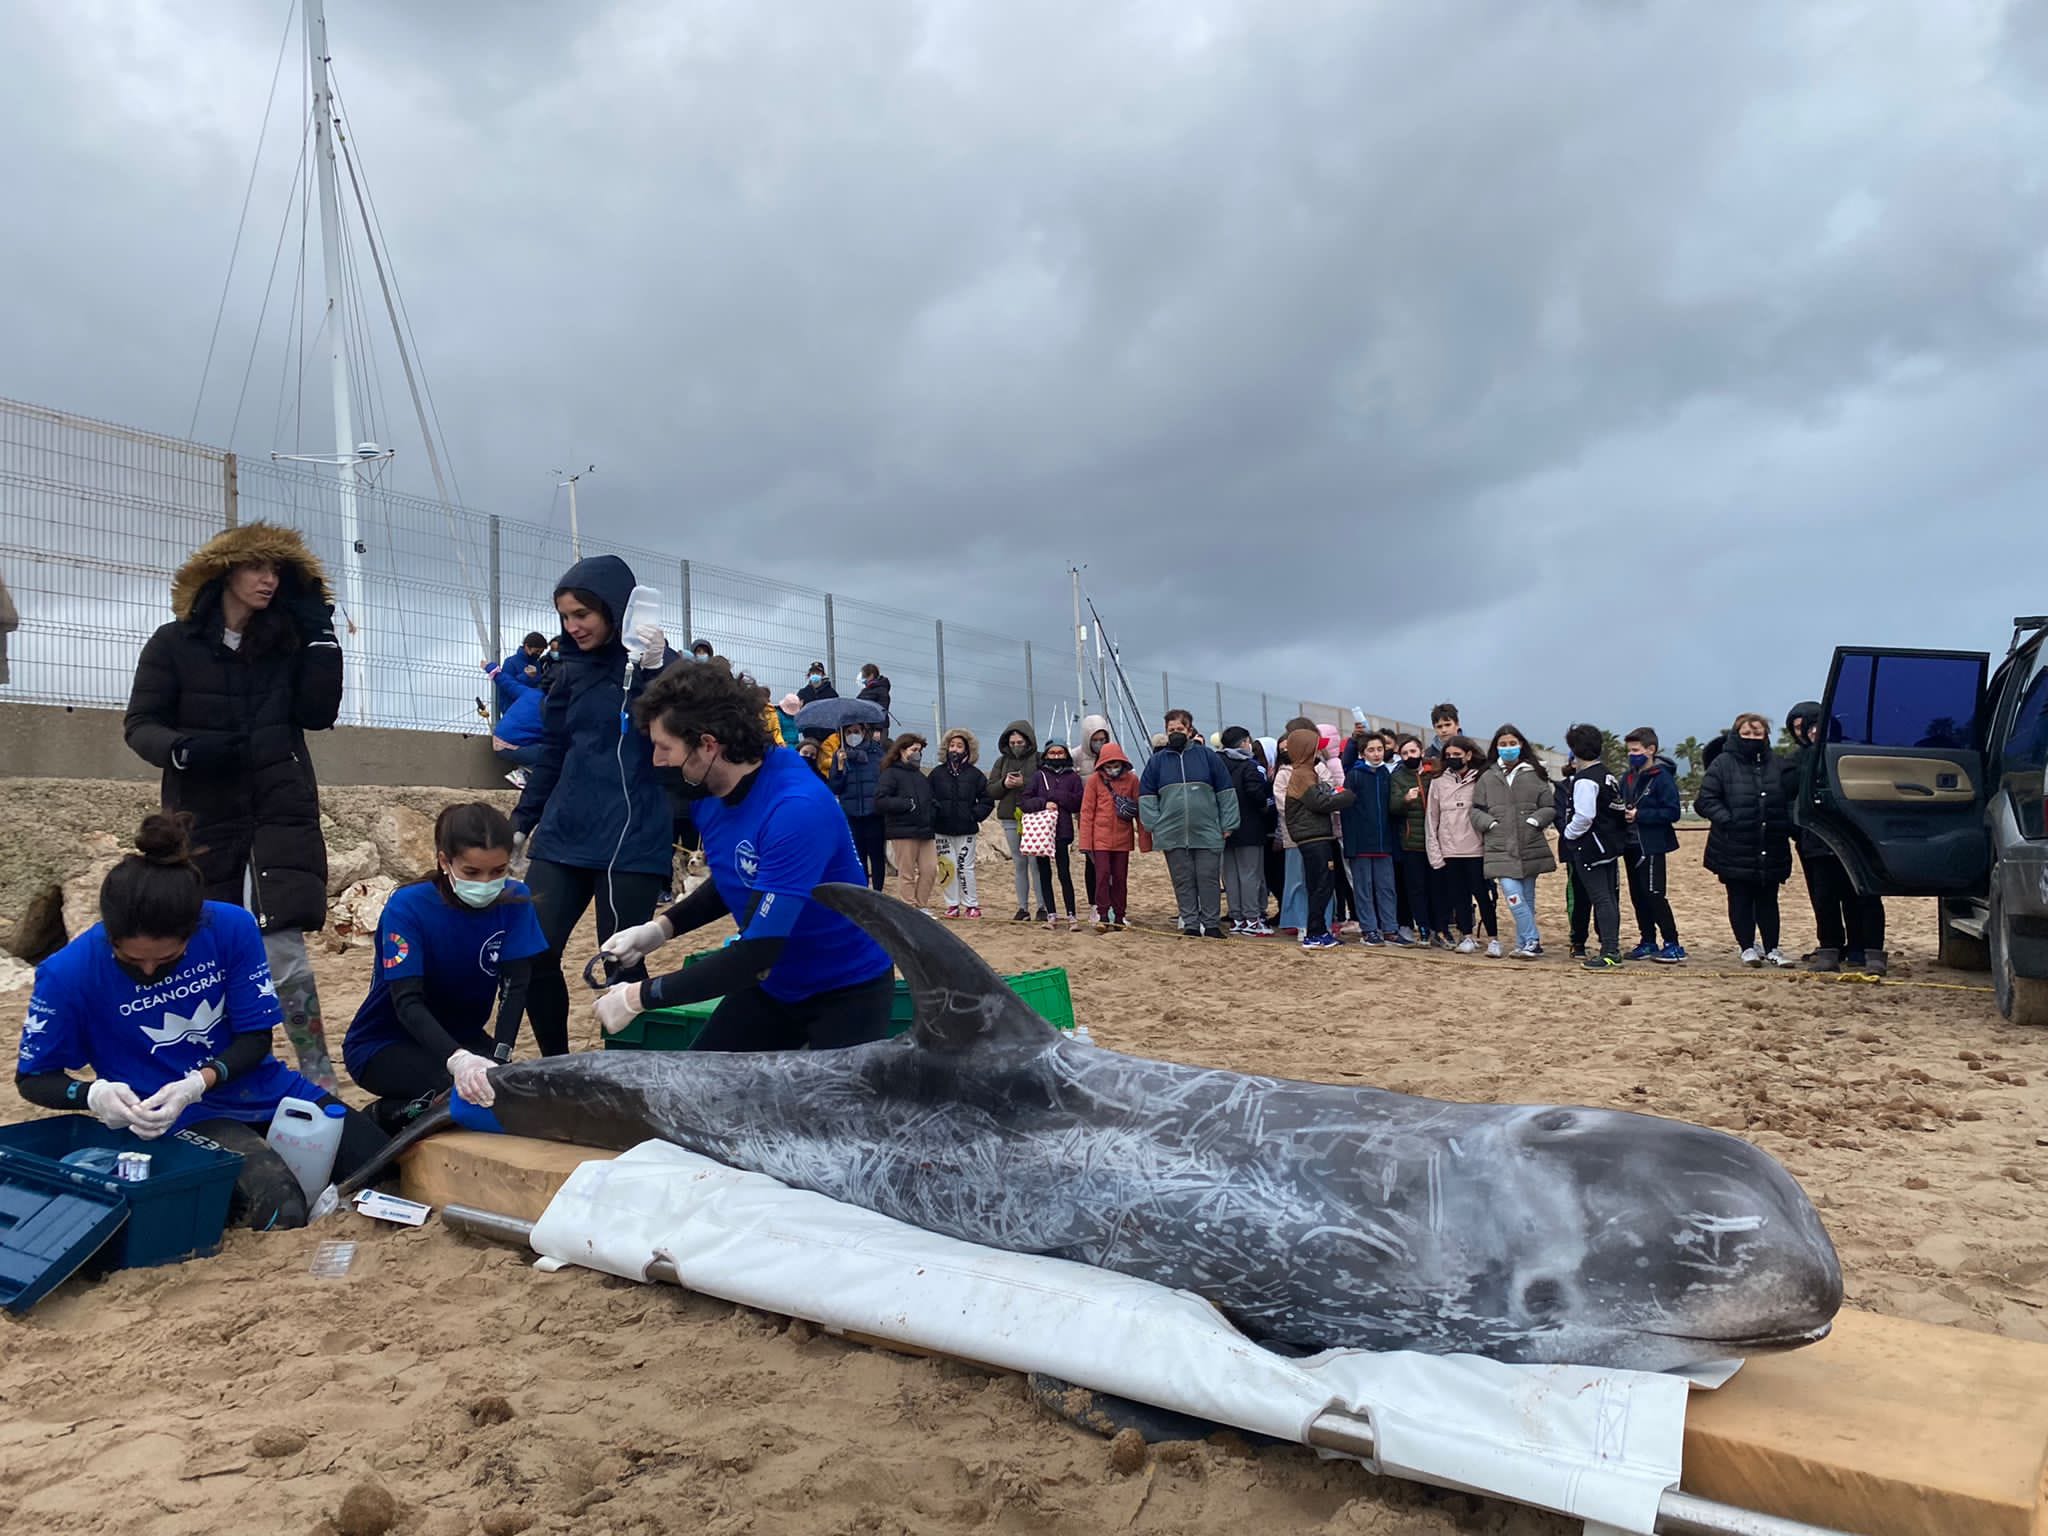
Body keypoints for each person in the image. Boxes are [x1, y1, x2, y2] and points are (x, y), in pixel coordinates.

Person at [15, 815, 386, 1229]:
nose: (151, 969)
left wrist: (197, 1082)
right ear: (109, 935)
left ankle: (383, 1117)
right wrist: (92, 1095)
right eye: (132, 960)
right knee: (280, 1211)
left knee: (383, 1170)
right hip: (171, 1119)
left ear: (193, 930)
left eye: (168, 958)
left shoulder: (229, 927)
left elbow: (255, 1039)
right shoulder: (68, 973)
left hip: (259, 1088)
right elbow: (34, 1078)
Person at [123, 522, 345, 1091]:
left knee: (284, 951)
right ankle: (212, 1077)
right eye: (257, 568)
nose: (269, 581)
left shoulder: (289, 643)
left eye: (277, 571)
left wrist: (322, 637)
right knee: (201, 953)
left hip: (279, 813)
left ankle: (318, 1080)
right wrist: (182, 750)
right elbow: (140, 724)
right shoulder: (172, 644)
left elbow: (319, 714)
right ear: (226, 572)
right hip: (200, 820)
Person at [592, 661, 896, 1051]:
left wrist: (638, 997)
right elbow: (737, 872)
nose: (656, 760)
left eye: (664, 747)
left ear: (707, 744)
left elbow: (757, 953)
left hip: (847, 986)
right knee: (702, 1088)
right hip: (774, 986)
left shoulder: (795, 808)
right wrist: (660, 930)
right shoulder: (707, 791)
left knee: (825, 1108)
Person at [510, 554, 677, 1056]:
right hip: (565, 833)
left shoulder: (660, 666)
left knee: (621, 959)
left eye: (582, 613)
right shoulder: (566, 670)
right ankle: (557, 1064)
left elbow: (677, 729)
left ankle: (628, 1071)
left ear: (615, 608)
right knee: (531, 953)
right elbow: (554, 753)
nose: (572, 626)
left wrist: (656, 670)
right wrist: (523, 821)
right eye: (564, 616)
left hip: (632, 835)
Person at [342, 804, 546, 1131]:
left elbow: (516, 986)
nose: (486, 882)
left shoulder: (515, 900)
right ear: (443, 861)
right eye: (472, 872)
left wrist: (500, 1056)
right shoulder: (408, 906)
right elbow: (407, 1001)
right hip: (384, 1042)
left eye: (498, 871)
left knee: (511, 1094)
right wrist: (458, 1060)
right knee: (458, 1095)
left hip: (463, 1035)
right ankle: (383, 1118)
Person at [1786, 701, 1887, 974]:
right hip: (1816, 841)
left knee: (1863, 896)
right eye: (1804, 728)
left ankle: (1869, 951)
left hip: (1857, 838)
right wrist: (1797, 828)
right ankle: (1829, 950)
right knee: (1824, 899)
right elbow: (1786, 798)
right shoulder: (1798, 760)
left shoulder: (1854, 753)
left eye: (1820, 727)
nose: (1811, 733)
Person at [1696, 712, 1797, 968]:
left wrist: (1784, 823)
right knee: (1739, 898)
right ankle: (1747, 947)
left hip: (1770, 843)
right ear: (1736, 735)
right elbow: (1705, 800)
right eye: (1747, 733)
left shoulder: (1778, 764)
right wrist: (1729, 819)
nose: (1752, 738)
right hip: (1733, 844)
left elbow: (1790, 798)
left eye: (1757, 733)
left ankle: (1773, 947)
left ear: (1766, 736)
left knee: (1768, 899)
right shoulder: (1722, 764)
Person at [1138, 709, 1241, 939]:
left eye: (1179, 729)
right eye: (1171, 730)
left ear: (1190, 730)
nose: (1175, 733)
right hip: (1173, 833)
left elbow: (1226, 791)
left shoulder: (1207, 757)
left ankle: (1211, 924)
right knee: (1183, 880)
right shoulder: (1156, 762)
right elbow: (1146, 797)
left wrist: (1228, 824)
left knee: (1208, 878)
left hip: (1207, 831)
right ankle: (1191, 923)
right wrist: (1155, 824)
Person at [1469, 726, 1555, 960]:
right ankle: (1533, 939)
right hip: (1500, 846)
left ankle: (1523, 943)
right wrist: (1491, 824)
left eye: (1512, 743)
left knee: (1527, 898)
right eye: (1503, 744)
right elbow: (1475, 810)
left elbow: (1549, 807)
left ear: (1521, 744)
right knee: (1512, 894)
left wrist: (1534, 821)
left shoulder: (1535, 773)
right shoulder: (1487, 777)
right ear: (1496, 747)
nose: (1508, 748)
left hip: (1529, 844)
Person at [1559, 724, 1628, 971]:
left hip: (1592, 847)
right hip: (1609, 845)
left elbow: (1584, 816)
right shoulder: (1607, 774)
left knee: (1602, 899)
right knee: (1608, 898)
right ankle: (1612, 948)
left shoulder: (1585, 780)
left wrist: (1569, 834)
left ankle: (1610, 951)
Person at [1282, 727, 1355, 951]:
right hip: (1312, 837)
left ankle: (1319, 930)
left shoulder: (1307, 771)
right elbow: (1319, 803)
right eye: (1315, 747)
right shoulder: (1302, 774)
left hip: (1317, 835)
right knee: (1320, 884)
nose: (1319, 752)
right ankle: (1315, 933)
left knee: (1322, 884)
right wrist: (1347, 795)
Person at [1621, 727, 1686, 963]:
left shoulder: (1662, 778)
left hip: (1653, 844)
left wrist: (1641, 814)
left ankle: (1672, 942)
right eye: (1629, 750)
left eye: (1636, 750)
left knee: (1654, 894)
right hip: (1630, 844)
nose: (1632, 754)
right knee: (1638, 896)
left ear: (1651, 750)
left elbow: (1672, 812)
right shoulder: (1627, 777)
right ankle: (1648, 940)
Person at [1425, 737, 1494, 952]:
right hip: (1450, 850)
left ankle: (1494, 939)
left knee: (1483, 896)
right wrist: (1435, 855)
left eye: (1457, 754)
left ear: (1468, 755)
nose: (1453, 758)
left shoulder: (1482, 779)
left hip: (1476, 849)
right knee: (1459, 897)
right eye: (1449, 756)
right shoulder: (1438, 782)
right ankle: (1467, 936)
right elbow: (1431, 820)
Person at [1339, 731, 1404, 945]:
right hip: (1360, 843)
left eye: (1379, 749)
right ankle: (1368, 929)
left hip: (1384, 842)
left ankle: (1390, 929)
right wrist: (1351, 844)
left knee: (1386, 887)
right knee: (1364, 888)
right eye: (1371, 750)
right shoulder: (1355, 775)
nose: (1376, 754)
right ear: (1362, 753)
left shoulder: (1387, 774)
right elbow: (1347, 812)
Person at [1078, 741, 1148, 931]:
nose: (1112, 769)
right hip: (1099, 840)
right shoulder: (1094, 780)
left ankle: (1119, 916)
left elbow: (1140, 811)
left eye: (1115, 765)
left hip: (1123, 840)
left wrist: (1144, 840)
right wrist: (1085, 843)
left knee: (1120, 878)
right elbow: (1087, 812)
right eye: (1108, 766)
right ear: (1102, 765)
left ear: (1122, 763)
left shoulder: (1133, 781)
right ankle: (1102, 916)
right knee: (1101, 877)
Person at [1022, 740, 1086, 930]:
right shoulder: (1038, 776)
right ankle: (1051, 915)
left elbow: (1077, 802)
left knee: (1064, 873)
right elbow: (1025, 802)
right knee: (1044, 874)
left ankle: (1072, 915)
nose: (1056, 756)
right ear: (1046, 755)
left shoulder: (1073, 777)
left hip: (1063, 831)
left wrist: (1056, 796)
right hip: (1042, 833)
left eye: (1060, 753)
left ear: (1066, 755)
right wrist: (1044, 803)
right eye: (1052, 753)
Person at [929, 729, 993, 918]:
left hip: (967, 830)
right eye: (952, 745)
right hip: (942, 829)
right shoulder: (936, 774)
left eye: (959, 746)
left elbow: (987, 799)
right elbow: (928, 797)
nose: (955, 749)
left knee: (965, 867)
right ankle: (952, 904)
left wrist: (974, 815)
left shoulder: (975, 775)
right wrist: (935, 814)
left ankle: (971, 905)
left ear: (967, 749)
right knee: (947, 867)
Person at [1218, 727, 1274, 935]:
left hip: (1224, 828)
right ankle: (1252, 918)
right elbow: (1256, 794)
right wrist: (1265, 802)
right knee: (1250, 874)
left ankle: (1237, 917)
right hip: (1249, 828)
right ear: (1243, 743)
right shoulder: (1248, 766)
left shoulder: (1217, 764)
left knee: (1230, 875)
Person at [876, 733, 939, 911]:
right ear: (902, 750)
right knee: (907, 873)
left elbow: (929, 800)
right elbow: (880, 801)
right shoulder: (890, 774)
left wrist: (933, 810)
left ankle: (921, 906)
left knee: (930, 869)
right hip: (902, 831)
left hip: (925, 831)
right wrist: (905, 804)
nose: (917, 754)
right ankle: (909, 908)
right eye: (914, 750)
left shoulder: (921, 777)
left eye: (920, 750)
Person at [988, 721, 1043, 922]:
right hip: (1010, 816)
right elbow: (991, 789)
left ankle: (1042, 907)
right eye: (1012, 742)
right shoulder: (1001, 762)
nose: (1016, 745)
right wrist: (1005, 783)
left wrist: (1025, 782)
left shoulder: (1038, 759)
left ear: (1028, 741)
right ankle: (1022, 908)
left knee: (1036, 863)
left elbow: (1045, 785)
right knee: (1019, 862)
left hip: (1035, 816)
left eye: (1020, 741)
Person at [828, 721, 888, 890]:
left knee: (876, 856)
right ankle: (862, 890)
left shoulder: (876, 753)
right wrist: (840, 768)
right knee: (858, 857)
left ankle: (878, 892)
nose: (852, 735)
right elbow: (835, 787)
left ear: (863, 732)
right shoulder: (839, 755)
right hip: (851, 812)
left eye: (856, 731)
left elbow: (882, 779)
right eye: (848, 732)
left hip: (873, 813)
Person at [1390, 736, 1437, 946]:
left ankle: (1440, 928)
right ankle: (1423, 928)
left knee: (1436, 887)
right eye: (1405, 753)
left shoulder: (1433, 773)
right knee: (1415, 888)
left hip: (1436, 842)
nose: (1410, 756)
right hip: (1411, 842)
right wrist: (1404, 800)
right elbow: (1392, 806)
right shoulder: (1398, 777)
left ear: (1421, 752)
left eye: (1413, 752)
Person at [491, 632, 551, 715]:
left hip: (531, 708)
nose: (538, 654)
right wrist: (526, 676)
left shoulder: (536, 664)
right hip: (513, 709)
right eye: (537, 651)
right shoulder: (511, 662)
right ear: (527, 647)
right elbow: (508, 686)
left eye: (541, 652)